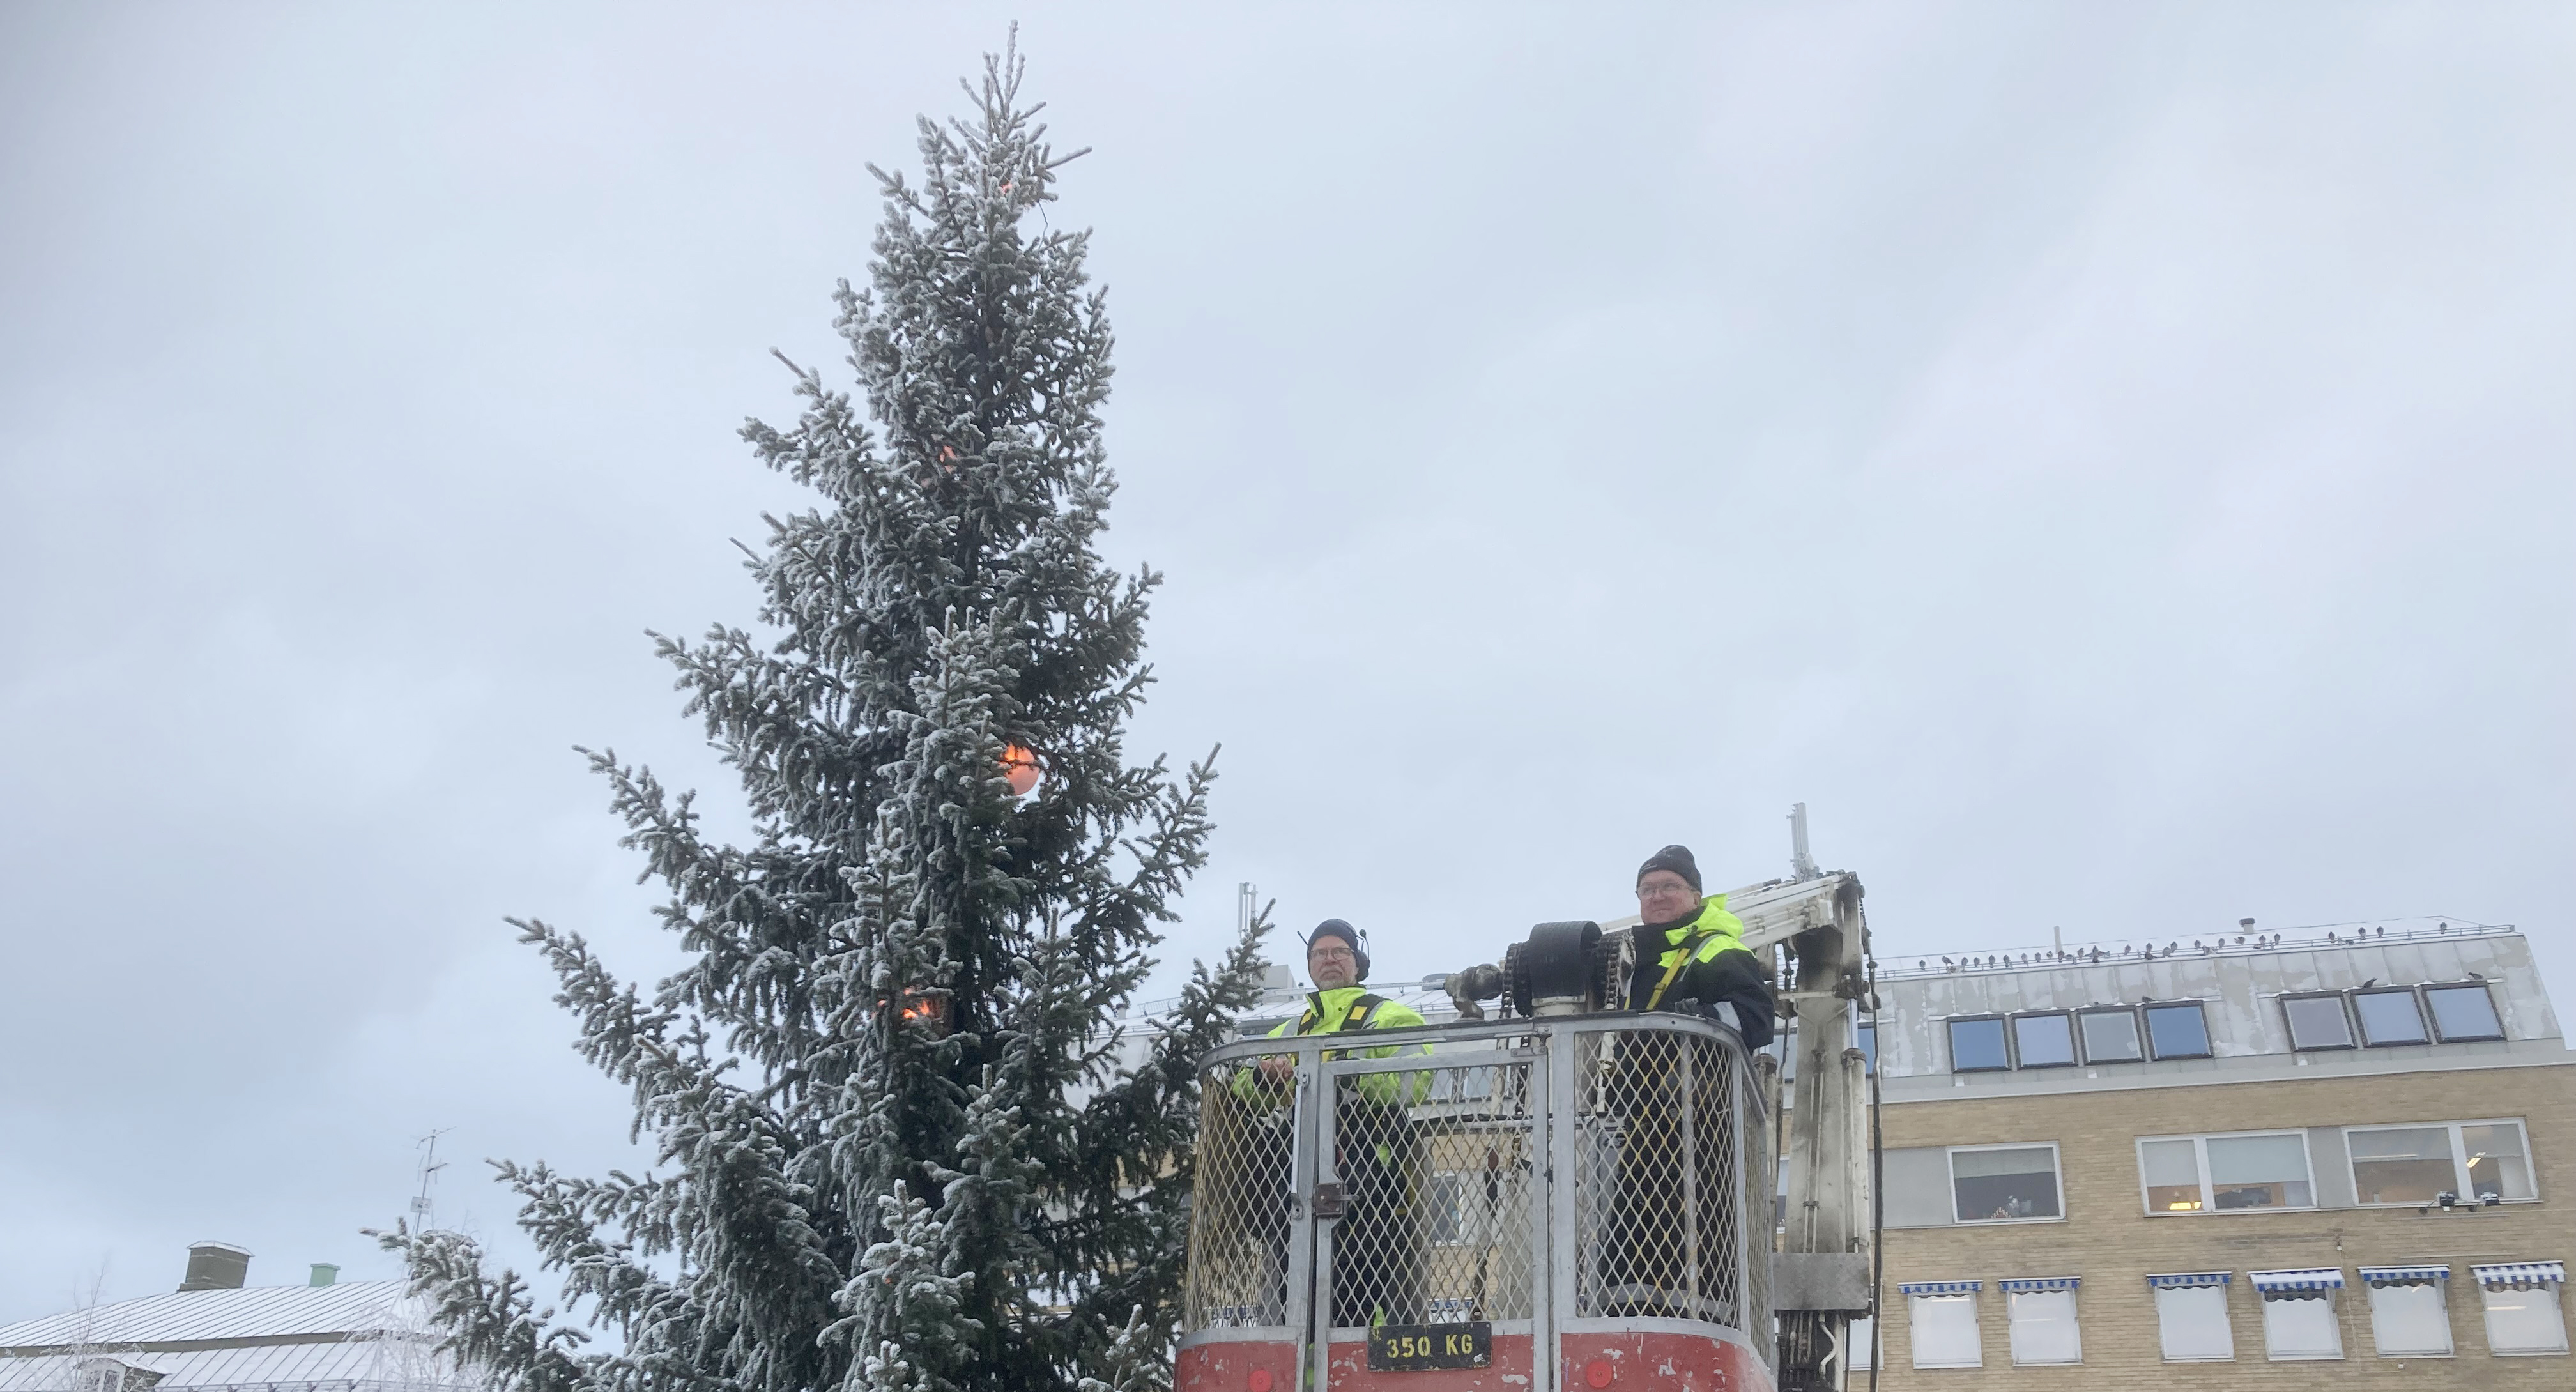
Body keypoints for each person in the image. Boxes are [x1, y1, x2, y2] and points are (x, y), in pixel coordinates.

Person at [1604, 845, 1775, 1320]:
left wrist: (1699, 1018)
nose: (1657, 896)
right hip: (1643, 1121)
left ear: (1695, 895)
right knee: (1636, 1226)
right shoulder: (1634, 961)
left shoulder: (1715, 946)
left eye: (1669, 886)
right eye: (1647, 889)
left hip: (1702, 1118)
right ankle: (1630, 1320)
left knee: (1698, 1227)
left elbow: (1758, 1019)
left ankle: (1705, 1319)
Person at [1237, 920, 1432, 1329]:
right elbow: (1241, 1084)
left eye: (1339, 952)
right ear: (1309, 965)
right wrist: (1264, 1076)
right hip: (1297, 1176)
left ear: (1357, 962)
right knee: (1296, 1295)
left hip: (1369, 1173)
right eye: (1319, 953)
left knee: (1364, 1289)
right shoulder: (1291, 1029)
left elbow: (1413, 1083)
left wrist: (1349, 1071)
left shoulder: (1391, 1016)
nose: (1329, 960)